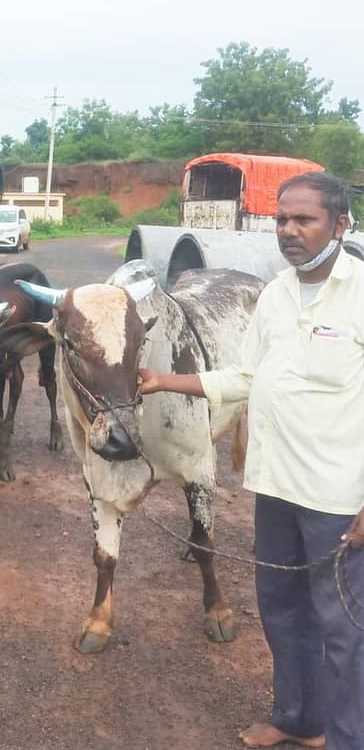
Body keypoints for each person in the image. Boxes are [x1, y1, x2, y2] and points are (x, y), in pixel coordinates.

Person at [139, 171, 364, 750]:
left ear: (341, 224)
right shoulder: (276, 293)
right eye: (281, 220)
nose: (288, 231)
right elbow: (245, 375)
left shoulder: (361, 292)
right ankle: (298, 719)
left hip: (340, 499)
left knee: (346, 631)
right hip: (277, 486)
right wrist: (165, 379)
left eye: (304, 220)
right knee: (283, 611)